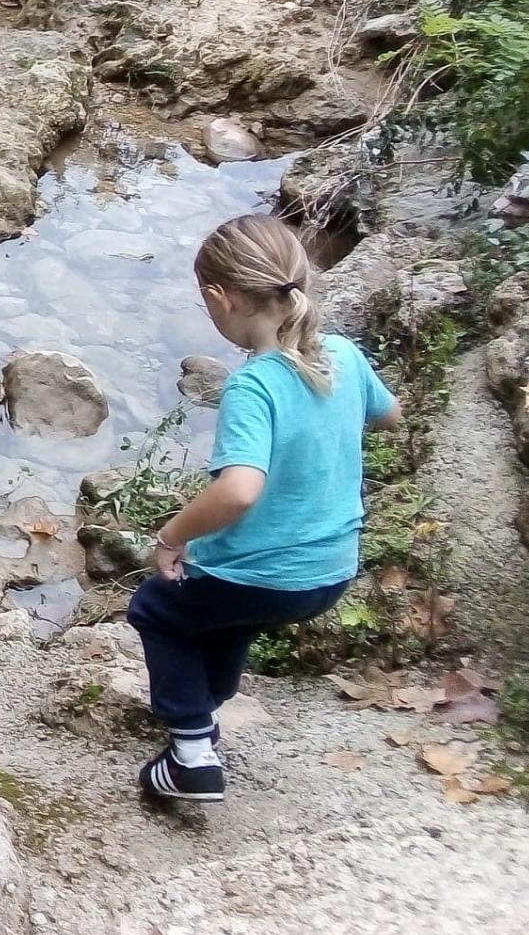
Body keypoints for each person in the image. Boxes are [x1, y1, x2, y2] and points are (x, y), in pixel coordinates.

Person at [129, 213, 401, 804]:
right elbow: (388, 413)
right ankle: (204, 711)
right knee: (224, 610)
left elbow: (238, 491)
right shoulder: (344, 358)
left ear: (218, 298)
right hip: (331, 569)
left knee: (159, 608)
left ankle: (192, 755)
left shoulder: (254, 386)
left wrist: (172, 536)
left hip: (268, 572)